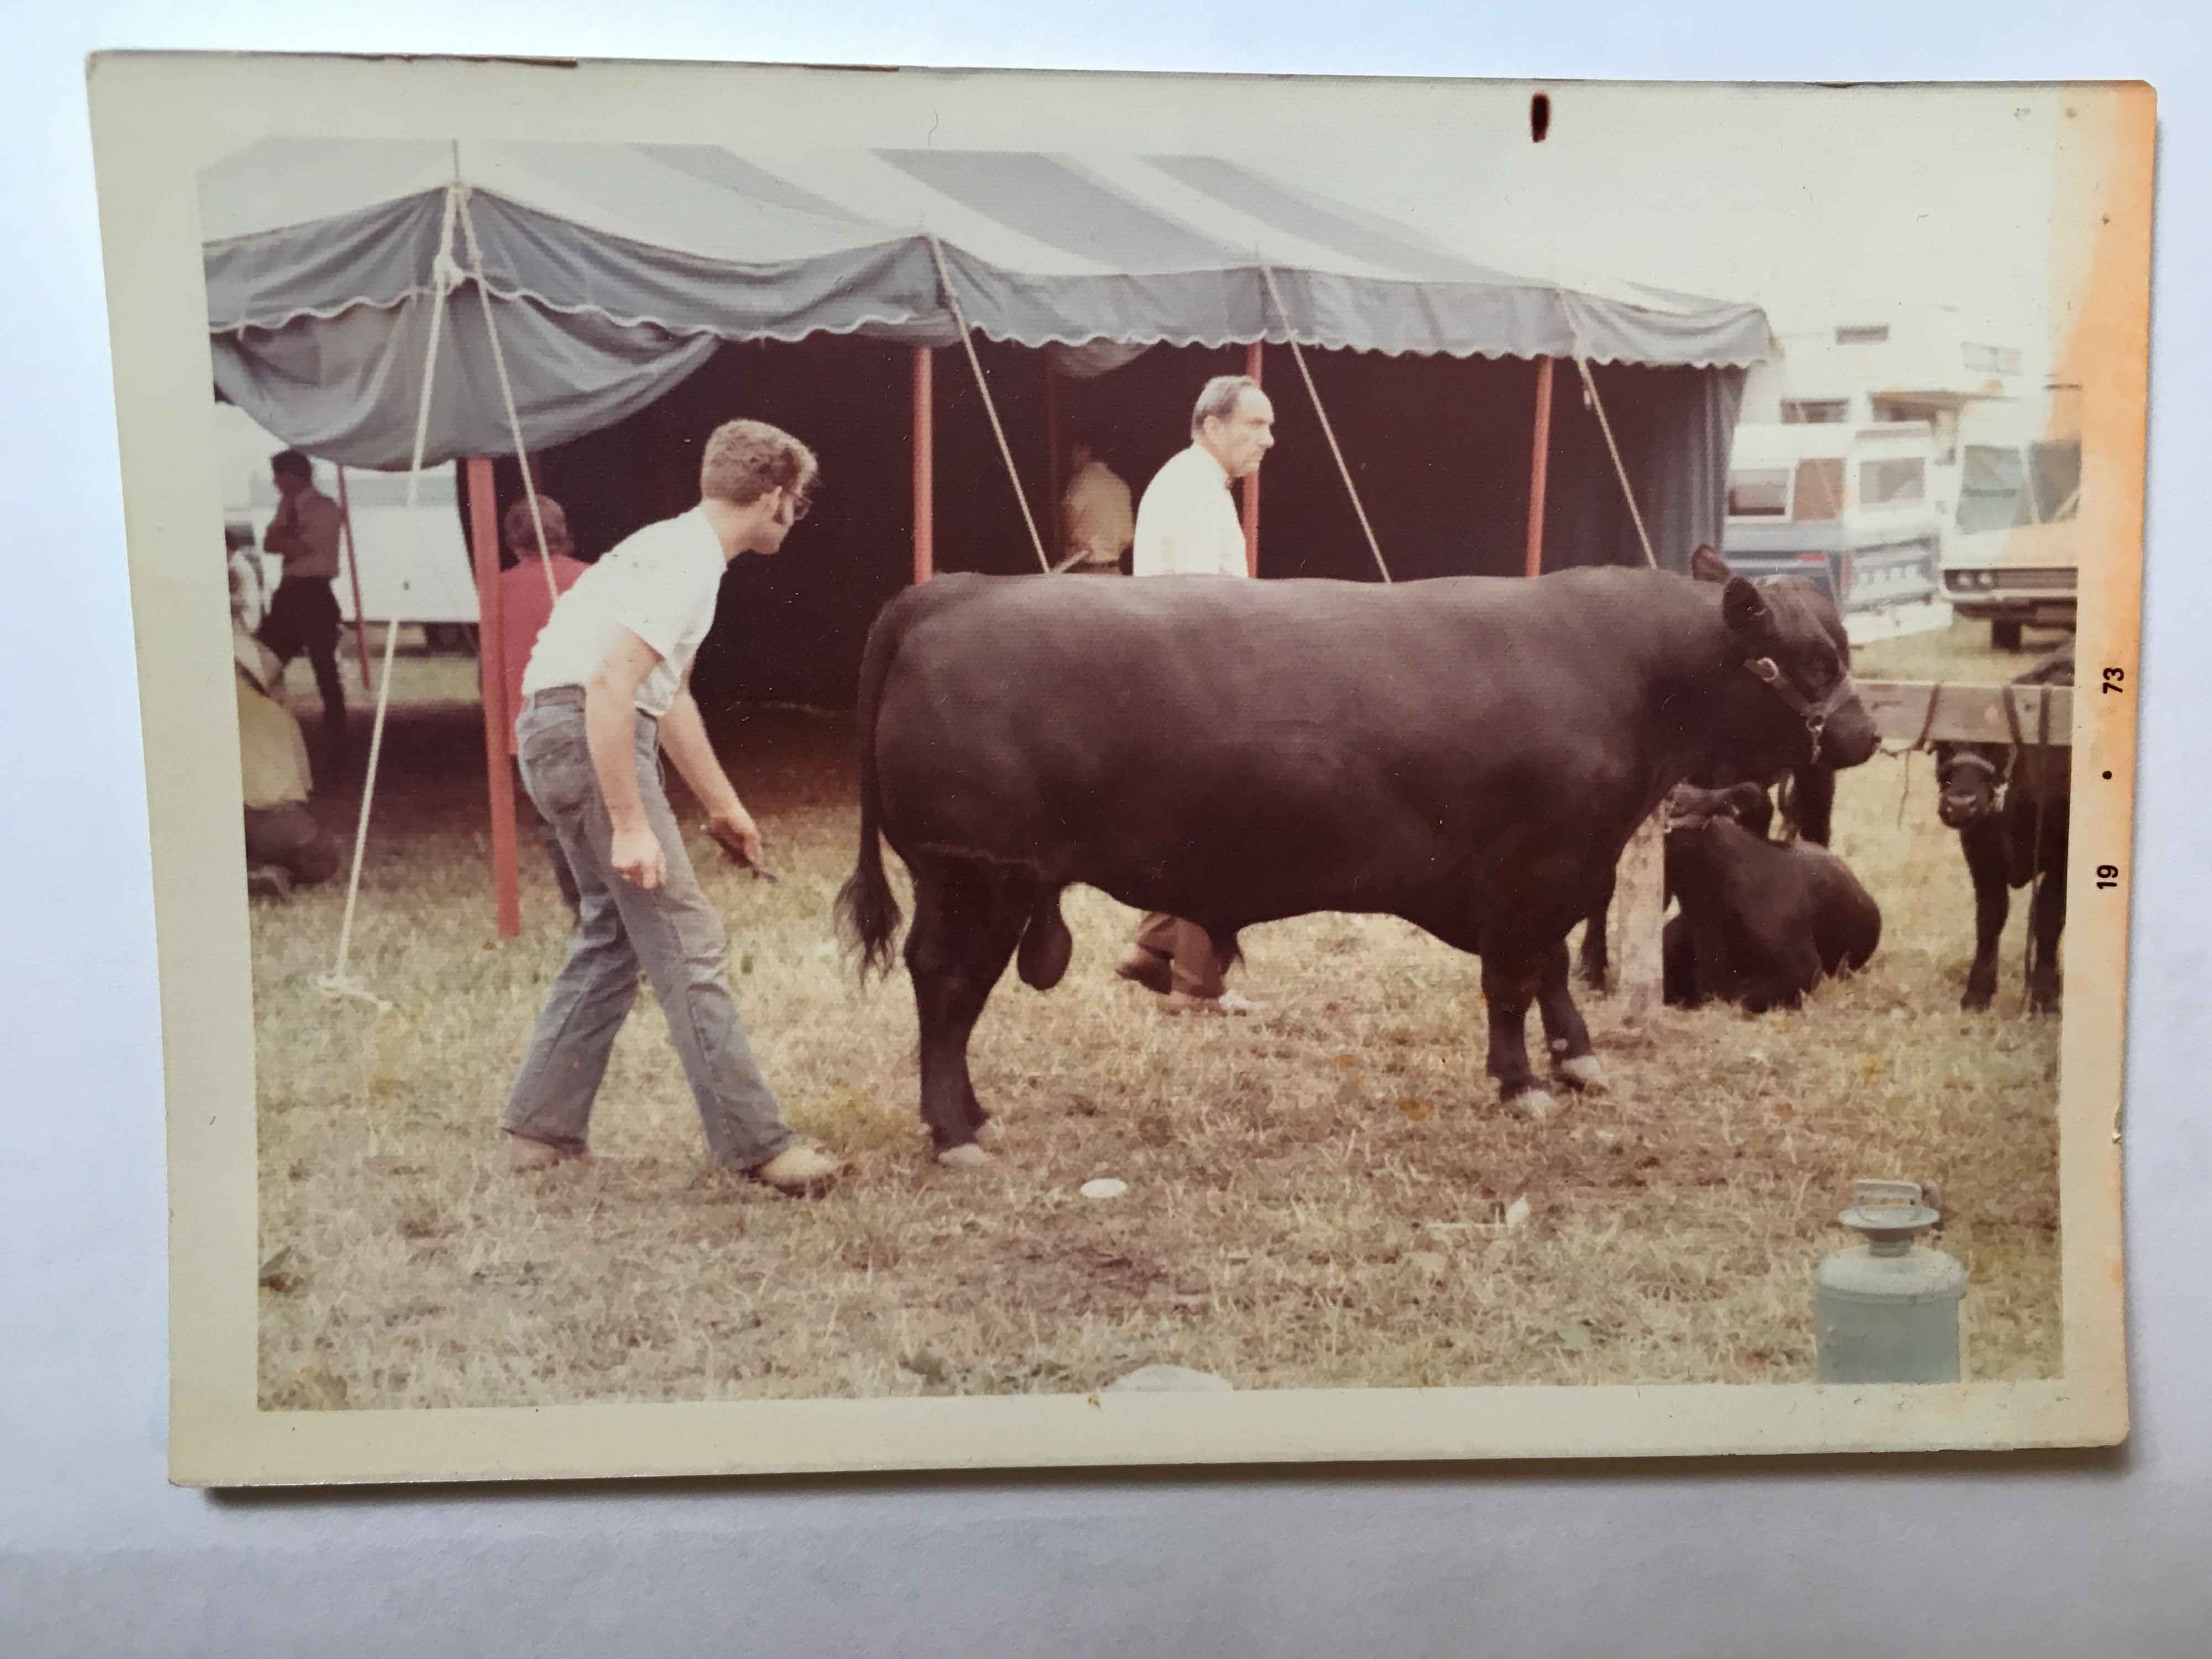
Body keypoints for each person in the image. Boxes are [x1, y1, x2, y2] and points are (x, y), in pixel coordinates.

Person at [499, 419, 841, 1196]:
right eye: (800, 502)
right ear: (775, 498)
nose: (798, 515)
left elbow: (669, 695)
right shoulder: (685, 563)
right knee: (687, 942)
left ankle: (538, 1129)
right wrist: (629, 821)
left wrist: (725, 807)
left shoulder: (678, 552)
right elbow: (611, 688)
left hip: (563, 733)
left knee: (613, 935)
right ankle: (760, 1146)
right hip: (586, 732)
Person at [1116, 374, 1277, 1015]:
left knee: (1196, 829)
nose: (1269, 438)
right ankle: (1196, 986)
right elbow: (1196, 605)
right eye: (1255, 425)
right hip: (1195, 687)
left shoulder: (1193, 483)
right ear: (1213, 426)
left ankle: (1154, 950)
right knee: (1219, 833)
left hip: (1184, 684)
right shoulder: (1195, 493)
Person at [498, 494, 593, 919]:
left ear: (512, 541)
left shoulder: (496, 588)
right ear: (563, 532)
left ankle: (581, 907)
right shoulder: (590, 578)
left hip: (526, 721)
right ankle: (601, 906)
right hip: (586, 714)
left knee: (554, 821)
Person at [234, 627, 341, 901]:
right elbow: (305, 786)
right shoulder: (281, 716)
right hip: (291, 826)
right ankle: (278, 870)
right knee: (324, 857)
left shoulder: (208, 713)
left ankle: (253, 871)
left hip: (242, 822)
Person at [256, 449, 348, 766]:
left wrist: (286, 539)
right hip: (290, 592)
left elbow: (295, 547)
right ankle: (261, 722)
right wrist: (286, 540)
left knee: (325, 668)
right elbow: (270, 544)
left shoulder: (325, 509)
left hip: (315, 592)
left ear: (293, 476)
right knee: (263, 657)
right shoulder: (288, 506)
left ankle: (338, 736)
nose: (276, 484)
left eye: (279, 477)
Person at [1057, 436, 1135, 573]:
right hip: (1115, 573)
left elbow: (1067, 517)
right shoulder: (1121, 486)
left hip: (1086, 572)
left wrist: (1073, 545)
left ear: (1085, 451)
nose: (1071, 459)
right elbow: (1129, 538)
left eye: (1073, 453)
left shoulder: (1081, 480)